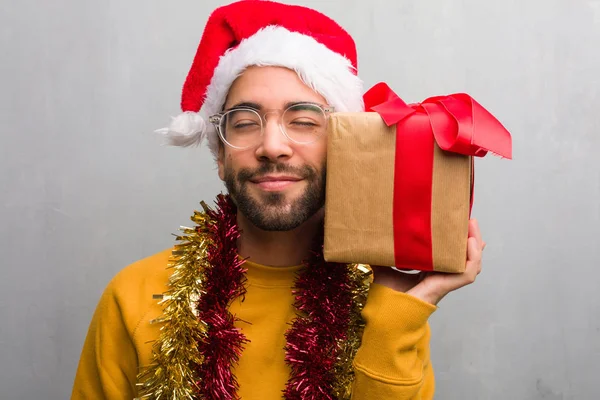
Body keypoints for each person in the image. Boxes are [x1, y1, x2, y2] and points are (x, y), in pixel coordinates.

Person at [71, 1, 485, 399]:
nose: (272, 146)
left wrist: (397, 315)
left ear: (347, 149)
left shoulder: (386, 305)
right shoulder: (135, 298)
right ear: (220, 155)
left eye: (303, 120)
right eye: (246, 122)